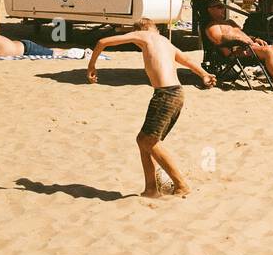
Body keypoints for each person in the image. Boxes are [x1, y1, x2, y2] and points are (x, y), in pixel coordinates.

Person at [86, 19, 215, 197]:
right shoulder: (166, 42)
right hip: (177, 93)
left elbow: (102, 42)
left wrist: (92, 65)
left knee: (149, 141)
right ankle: (151, 189)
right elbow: (186, 59)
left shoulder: (144, 34)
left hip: (165, 94)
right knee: (144, 140)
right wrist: (204, 74)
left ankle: (181, 184)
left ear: (142, 29)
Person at [201, 0, 273, 91]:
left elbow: (243, 34)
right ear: (210, 10)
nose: (223, 9)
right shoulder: (212, 26)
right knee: (267, 51)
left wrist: (254, 39)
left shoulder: (230, 22)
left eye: (223, 7)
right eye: (219, 7)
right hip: (237, 52)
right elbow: (219, 40)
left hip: (251, 47)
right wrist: (238, 39)